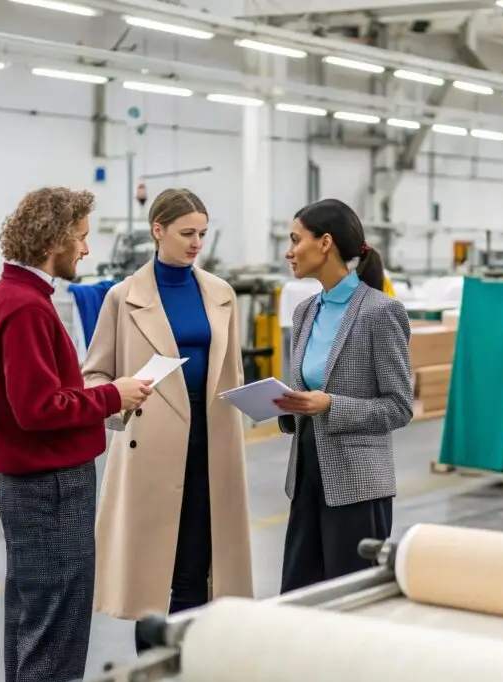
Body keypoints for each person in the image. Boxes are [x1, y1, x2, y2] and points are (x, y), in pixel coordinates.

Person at [0, 187, 154, 682]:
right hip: (51, 487)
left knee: (32, 621)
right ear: (54, 240)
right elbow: (38, 409)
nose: (86, 250)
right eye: (80, 238)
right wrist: (114, 395)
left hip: (29, 485)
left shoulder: (6, 296)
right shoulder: (27, 308)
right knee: (57, 627)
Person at [81, 187, 254, 653]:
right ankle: (152, 665)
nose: (197, 242)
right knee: (152, 575)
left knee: (199, 566)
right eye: (186, 233)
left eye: (202, 233)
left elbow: (231, 371)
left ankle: (189, 662)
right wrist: (121, 398)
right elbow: (94, 372)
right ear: (157, 231)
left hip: (212, 442)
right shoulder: (123, 297)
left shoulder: (220, 293)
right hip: (152, 444)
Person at [273, 198, 414, 593]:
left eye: (295, 239)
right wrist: (286, 406)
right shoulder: (305, 311)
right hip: (305, 478)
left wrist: (331, 404)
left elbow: (399, 406)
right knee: (299, 597)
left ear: (325, 243)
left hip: (357, 485)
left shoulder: (379, 312)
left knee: (351, 599)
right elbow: (303, 390)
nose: (289, 251)